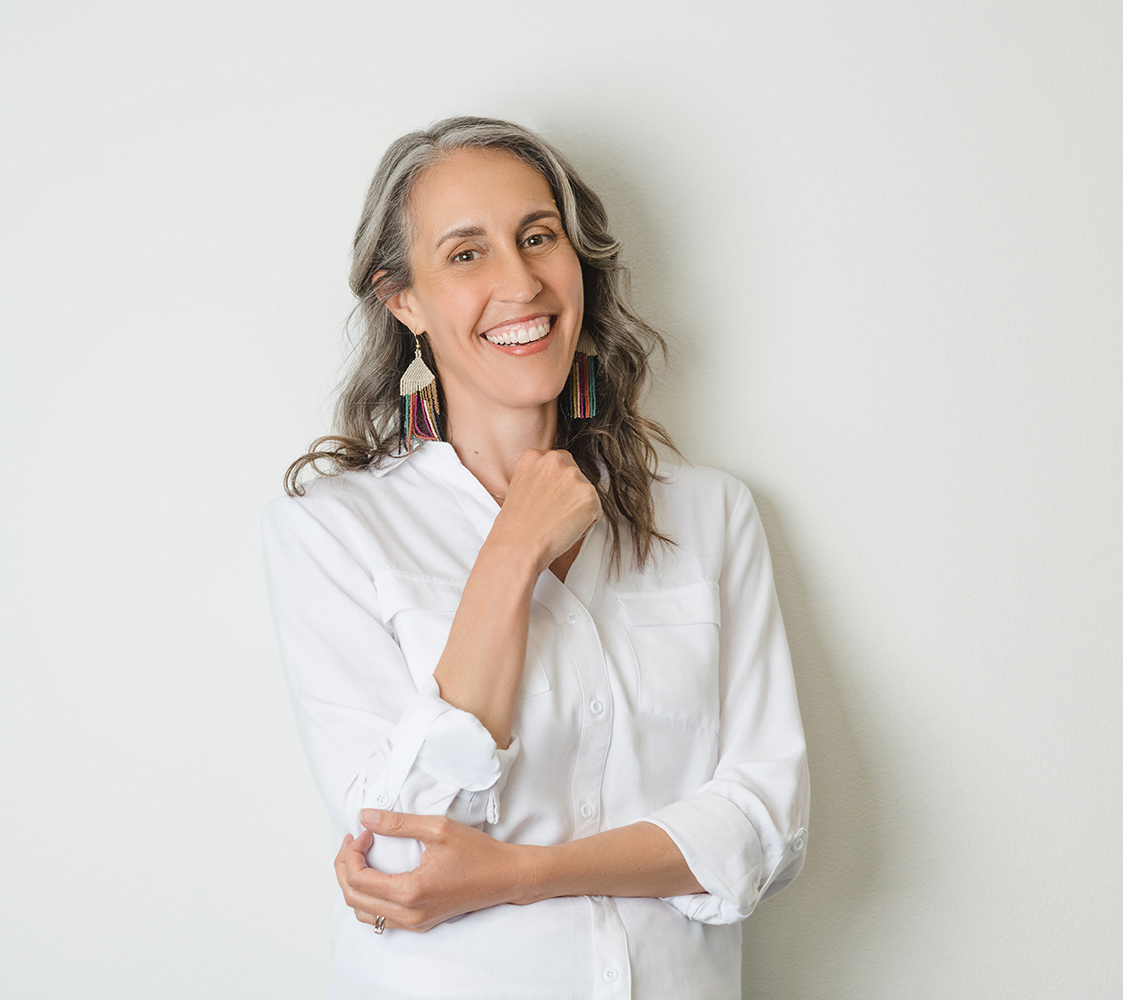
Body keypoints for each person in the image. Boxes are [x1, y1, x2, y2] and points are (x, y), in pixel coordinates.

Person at [260, 117, 809, 999]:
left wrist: (512, 874)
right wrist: (512, 549)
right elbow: (400, 853)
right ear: (401, 298)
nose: (521, 283)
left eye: (537, 237)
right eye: (467, 254)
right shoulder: (332, 532)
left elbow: (763, 825)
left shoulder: (710, 515)